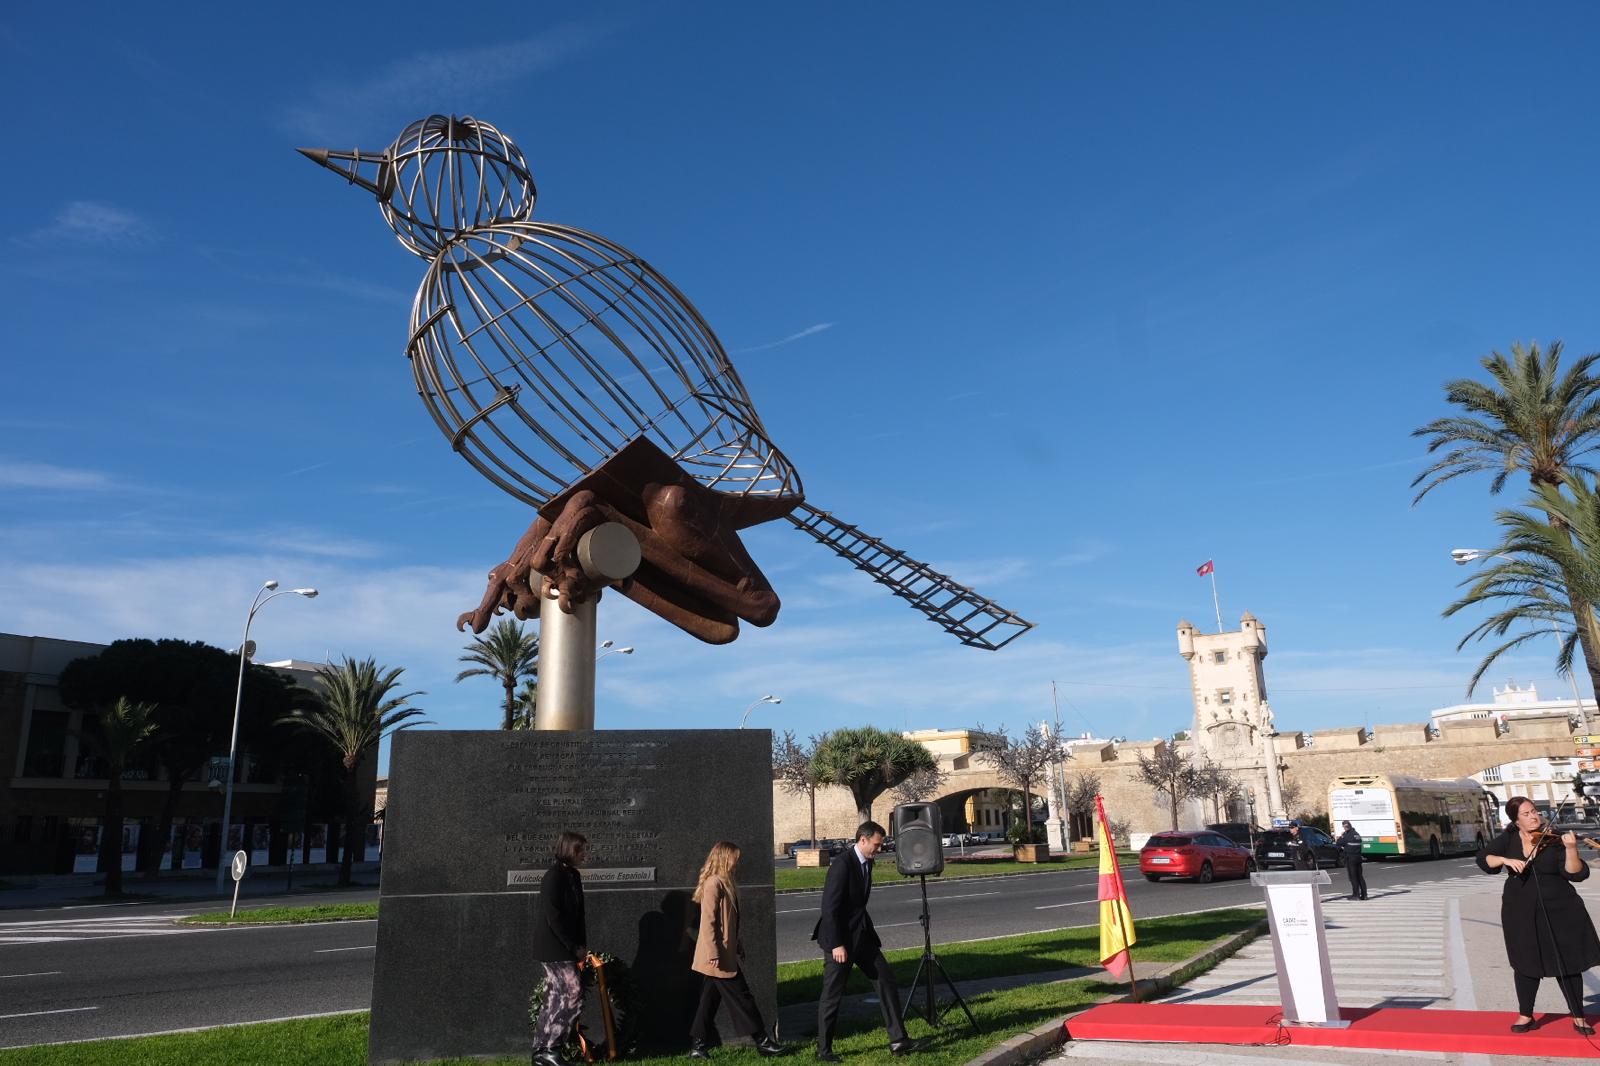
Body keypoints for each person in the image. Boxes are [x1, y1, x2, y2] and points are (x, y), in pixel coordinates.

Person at [1476, 796, 1600, 1034]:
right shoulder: (1509, 837)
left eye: (1534, 811)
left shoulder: (1554, 838)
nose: (1534, 816)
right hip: (1519, 910)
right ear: (1515, 820)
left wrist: (1571, 848)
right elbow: (1484, 859)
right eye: (1526, 814)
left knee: (1567, 962)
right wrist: (1505, 859)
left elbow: (1575, 873)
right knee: (1524, 961)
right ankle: (1526, 1015)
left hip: (1561, 908)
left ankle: (1579, 1017)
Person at [813, 821, 927, 1061]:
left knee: (885, 980)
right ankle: (824, 1050)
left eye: (881, 844)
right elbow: (829, 908)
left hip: (862, 938)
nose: (879, 849)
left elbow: (857, 906)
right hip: (840, 941)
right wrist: (836, 944)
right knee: (833, 995)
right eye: (876, 844)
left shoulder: (867, 862)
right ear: (862, 840)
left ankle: (899, 1041)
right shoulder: (842, 865)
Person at [688, 841, 785, 1059]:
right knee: (743, 998)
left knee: (708, 1001)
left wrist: (736, 943)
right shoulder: (714, 883)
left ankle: (697, 1046)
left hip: (724, 953)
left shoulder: (725, 882)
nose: (737, 863)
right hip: (717, 956)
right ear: (724, 858)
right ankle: (762, 1041)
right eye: (734, 858)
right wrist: (714, 953)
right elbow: (709, 922)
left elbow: (728, 922)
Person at [531, 831, 590, 1066]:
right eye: (581, 850)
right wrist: (572, 946)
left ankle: (542, 1050)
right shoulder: (553, 877)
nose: (585, 854)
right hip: (553, 947)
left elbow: (579, 914)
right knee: (573, 992)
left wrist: (582, 944)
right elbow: (554, 917)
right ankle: (551, 1046)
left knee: (554, 996)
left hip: (568, 946)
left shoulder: (573, 876)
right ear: (569, 850)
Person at [1336, 821, 1367, 901]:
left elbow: (1338, 843)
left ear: (1345, 827)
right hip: (1358, 857)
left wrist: (1341, 836)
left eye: (1344, 827)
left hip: (1351, 858)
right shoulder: (1357, 834)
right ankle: (1364, 895)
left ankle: (1356, 895)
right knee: (1360, 876)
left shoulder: (1347, 835)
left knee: (1353, 877)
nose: (1344, 828)